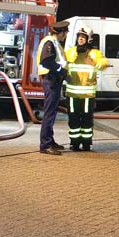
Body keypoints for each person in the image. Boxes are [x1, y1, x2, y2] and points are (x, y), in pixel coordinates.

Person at [64, 26, 108, 151]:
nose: (81, 39)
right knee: (73, 119)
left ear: (89, 39)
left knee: (87, 119)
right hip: (72, 93)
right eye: (79, 37)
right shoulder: (71, 52)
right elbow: (63, 64)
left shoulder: (95, 53)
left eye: (83, 37)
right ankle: (75, 143)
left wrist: (94, 63)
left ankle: (87, 143)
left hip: (88, 95)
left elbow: (104, 63)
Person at [36, 21, 69, 155]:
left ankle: (50, 141)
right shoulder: (50, 42)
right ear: (61, 32)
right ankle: (45, 144)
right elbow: (46, 60)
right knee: (49, 113)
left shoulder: (54, 43)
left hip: (53, 79)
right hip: (51, 79)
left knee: (52, 112)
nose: (65, 35)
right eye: (65, 33)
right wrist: (60, 69)